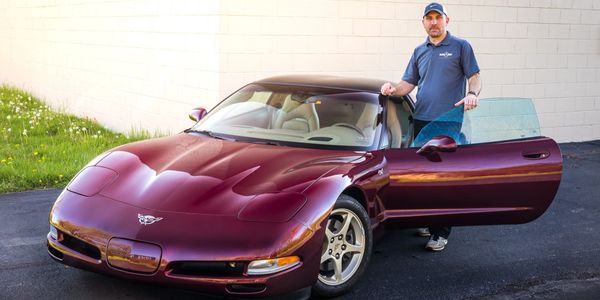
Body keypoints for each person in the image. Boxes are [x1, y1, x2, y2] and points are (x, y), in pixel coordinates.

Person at [380, 2, 482, 251]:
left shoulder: (461, 46)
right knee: (423, 176)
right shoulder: (419, 51)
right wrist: (391, 89)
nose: (433, 22)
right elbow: (408, 84)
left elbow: (475, 76)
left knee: (444, 179)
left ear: (447, 20)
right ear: (423, 22)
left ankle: (441, 232)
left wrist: (472, 94)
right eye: (429, 18)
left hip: (447, 121)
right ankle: (428, 220)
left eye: (438, 17)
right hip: (422, 119)